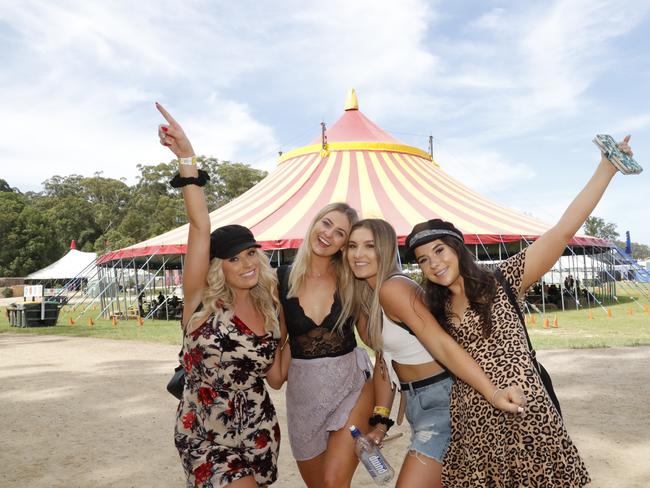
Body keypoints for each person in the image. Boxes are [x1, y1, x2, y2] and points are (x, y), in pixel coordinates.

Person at [406, 135, 638, 486]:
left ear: (456, 248)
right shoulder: (432, 309)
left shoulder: (502, 280)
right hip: (474, 425)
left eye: (439, 250)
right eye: (424, 259)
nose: (434, 263)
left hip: (526, 412)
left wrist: (606, 168)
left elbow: (562, 231)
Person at [156, 103, 285, 487]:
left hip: (258, 433)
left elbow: (276, 379)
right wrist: (186, 158)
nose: (246, 264)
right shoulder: (199, 304)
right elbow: (200, 224)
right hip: (204, 435)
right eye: (234, 258)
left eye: (250, 254)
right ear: (218, 266)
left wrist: (288, 326)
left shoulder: (269, 306)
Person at [346, 218, 526, 488]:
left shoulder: (394, 288)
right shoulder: (366, 303)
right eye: (352, 246)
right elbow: (385, 364)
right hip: (417, 405)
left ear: (384, 250)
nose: (358, 254)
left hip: (443, 403)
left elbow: (441, 344)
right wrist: (381, 424)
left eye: (369, 246)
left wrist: (493, 392)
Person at [275, 202, 374, 488]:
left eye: (340, 232)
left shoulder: (351, 280)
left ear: (345, 244)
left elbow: (370, 338)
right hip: (304, 396)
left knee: (334, 483)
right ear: (315, 222)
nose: (329, 234)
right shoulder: (280, 279)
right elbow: (277, 343)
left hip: (351, 387)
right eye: (326, 223)